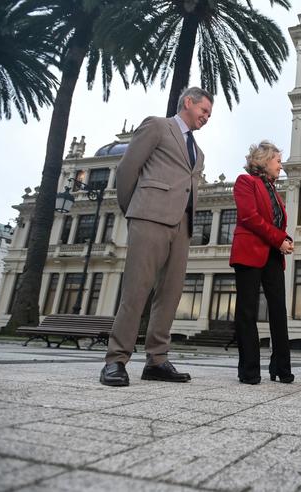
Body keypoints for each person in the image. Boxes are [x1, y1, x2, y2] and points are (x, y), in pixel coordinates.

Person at [100, 87, 213, 387]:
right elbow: (128, 169)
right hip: (149, 217)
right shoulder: (157, 126)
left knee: (170, 294)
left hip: (182, 226)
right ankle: (116, 360)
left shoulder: (198, 152)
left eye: (209, 115)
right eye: (204, 111)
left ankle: (157, 360)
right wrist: (134, 208)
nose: (206, 118)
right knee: (136, 290)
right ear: (188, 102)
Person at [230, 141, 294, 385]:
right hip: (250, 252)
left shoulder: (274, 191)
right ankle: (249, 370)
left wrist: (284, 239)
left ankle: (282, 367)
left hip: (273, 255)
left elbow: (275, 223)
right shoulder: (245, 182)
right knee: (247, 310)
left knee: (278, 310)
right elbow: (249, 217)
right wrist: (280, 239)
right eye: (278, 161)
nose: (281, 166)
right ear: (265, 161)